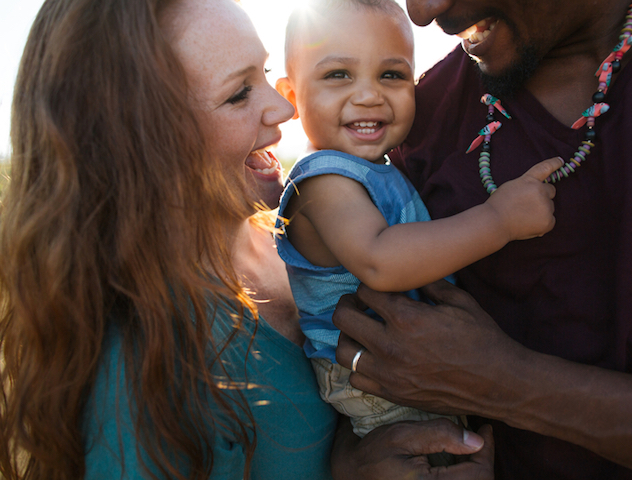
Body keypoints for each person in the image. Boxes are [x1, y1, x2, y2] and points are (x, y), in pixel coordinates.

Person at [0, 0, 493, 479]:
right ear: (139, 143)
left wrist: (348, 456)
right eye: (239, 93)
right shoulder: (139, 365)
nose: (283, 107)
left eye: (265, 73)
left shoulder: (295, 236)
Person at [333, 0, 632, 478]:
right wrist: (353, 457)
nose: (423, 10)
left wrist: (507, 385)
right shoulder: (422, 115)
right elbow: (361, 340)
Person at [273, 0, 560, 443]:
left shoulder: (371, 170)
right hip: (374, 377)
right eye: (338, 75)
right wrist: (499, 220)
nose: (369, 95)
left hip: (402, 360)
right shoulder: (322, 182)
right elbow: (380, 260)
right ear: (292, 98)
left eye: (391, 75)